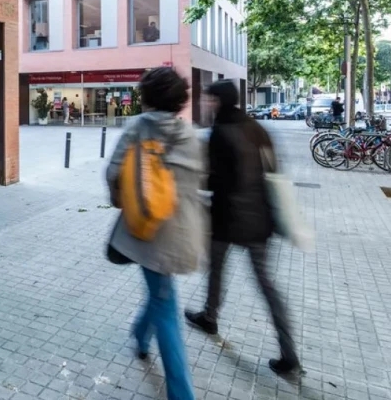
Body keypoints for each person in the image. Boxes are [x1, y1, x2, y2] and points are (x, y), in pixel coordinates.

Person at [184, 80, 299, 376]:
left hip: (227, 218)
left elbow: (213, 180)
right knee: (266, 284)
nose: (205, 104)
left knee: (217, 269)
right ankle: (289, 353)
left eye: (208, 99)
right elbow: (273, 170)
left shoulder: (219, 133)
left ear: (218, 101)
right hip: (260, 218)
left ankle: (210, 316)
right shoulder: (257, 128)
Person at [106, 67, 208, 400]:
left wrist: (121, 199)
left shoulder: (137, 127)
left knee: (164, 303)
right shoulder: (190, 134)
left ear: (147, 97)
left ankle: (181, 393)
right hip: (182, 231)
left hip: (148, 233)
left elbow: (113, 173)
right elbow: (201, 181)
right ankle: (140, 336)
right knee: (162, 295)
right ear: (180, 100)